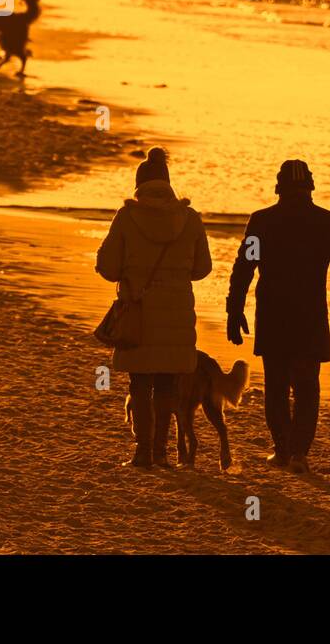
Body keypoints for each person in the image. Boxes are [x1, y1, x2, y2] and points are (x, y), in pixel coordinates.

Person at [226, 160, 330, 473]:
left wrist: (234, 309)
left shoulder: (262, 221)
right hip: (310, 317)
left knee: (276, 386)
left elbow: (244, 268)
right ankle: (299, 453)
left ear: (279, 188)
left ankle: (283, 450)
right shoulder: (327, 222)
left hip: (273, 316)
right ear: (310, 187)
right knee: (307, 387)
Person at [97, 147, 212, 468]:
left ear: (139, 185)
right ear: (168, 184)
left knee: (140, 383)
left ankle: (142, 452)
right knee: (166, 385)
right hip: (177, 315)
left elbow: (107, 268)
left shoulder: (127, 217)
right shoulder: (190, 219)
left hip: (138, 312)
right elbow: (202, 269)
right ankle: (161, 453)